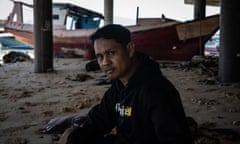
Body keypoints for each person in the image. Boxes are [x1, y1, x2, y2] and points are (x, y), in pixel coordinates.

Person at [58, 24, 194, 144]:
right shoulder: (119, 87)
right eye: (100, 57)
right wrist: (74, 136)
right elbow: (99, 119)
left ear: (129, 50)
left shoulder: (156, 91)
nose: (105, 62)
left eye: (111, 53)